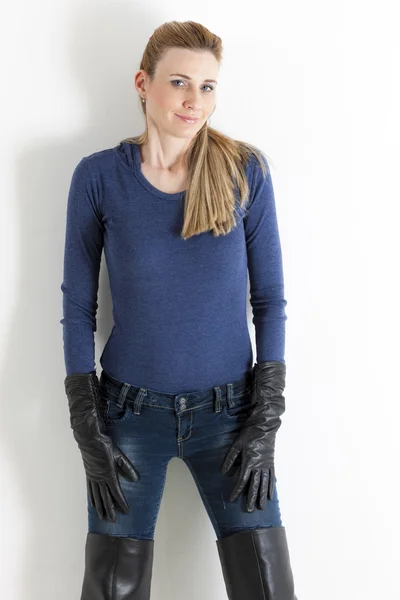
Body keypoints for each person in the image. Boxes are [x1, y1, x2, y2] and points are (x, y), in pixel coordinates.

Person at [60, 19, 298, 600]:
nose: (196, 101)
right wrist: (85, 421)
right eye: (181, 83)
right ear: (144, 84)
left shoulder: (246, 172)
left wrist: (265, 418)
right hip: (127, 415)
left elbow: (268, 301)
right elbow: (76, 304)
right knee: (111, 587)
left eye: (209, 86)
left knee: (267, 587)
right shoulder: (98, 178)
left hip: (232, 415)